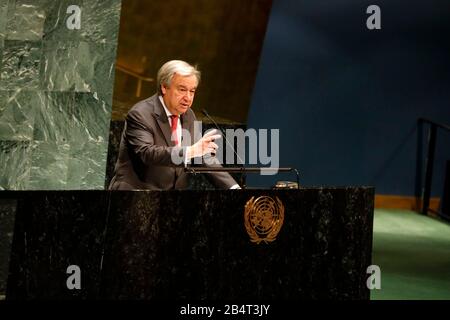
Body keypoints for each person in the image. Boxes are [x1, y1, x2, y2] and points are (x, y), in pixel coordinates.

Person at [109, 60, 240, 190]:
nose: (188, 98)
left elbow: (201, 156)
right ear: (164, 87)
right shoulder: (141, 114)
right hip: (134, 196)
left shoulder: (188, 115)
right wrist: (190, 151)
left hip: (171, 202)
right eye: (182, 90)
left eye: (192, 91)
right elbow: (147, 153)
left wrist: (233, 188)